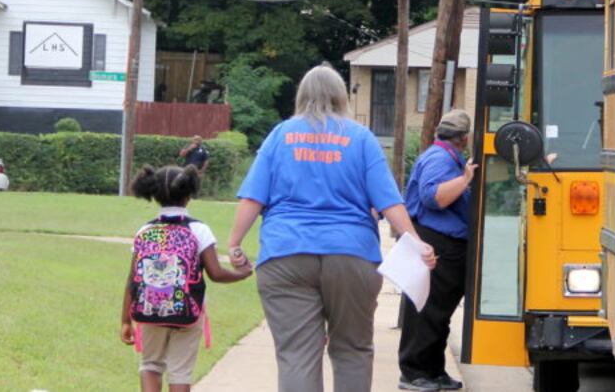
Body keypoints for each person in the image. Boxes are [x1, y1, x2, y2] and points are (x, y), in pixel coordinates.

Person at [226, 64, 437, 392]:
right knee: (352, 349)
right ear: (341, 97)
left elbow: (253, 197)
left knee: (297, 354)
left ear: (301, 95)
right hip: (352, 254)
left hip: (285, 254)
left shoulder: (280, 135)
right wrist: (417, 242)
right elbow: (389, 202)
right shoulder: (361, 138)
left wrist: (235, 243)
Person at [121, 164, 252, 392]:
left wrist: (125, 320)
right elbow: (216, 273)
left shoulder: (144, 231)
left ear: (155, 195)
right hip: (188, 311)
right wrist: (243, 273)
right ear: (189, 195)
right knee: (180, 371)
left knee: (151, 365)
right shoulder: (199, 230)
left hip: (150, 309)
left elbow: (132, 280)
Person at [396, 110, 476, 391]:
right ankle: (414, 372)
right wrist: (465, 180)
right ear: (464, 138)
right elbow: (433, 196)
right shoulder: (439, 158)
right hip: (436, 242)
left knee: (439, 314)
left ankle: (433, 370)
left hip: (446, 244)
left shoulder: (446, 157)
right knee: (426, 311)